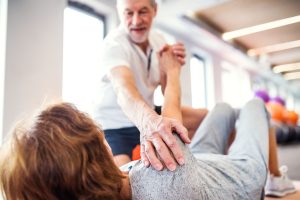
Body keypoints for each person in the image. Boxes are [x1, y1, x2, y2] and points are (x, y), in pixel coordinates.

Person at [1, 48, 269, 200]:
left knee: (221, 110)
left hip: (197, 165)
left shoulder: (113, 184)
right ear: (97, 154)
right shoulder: (164, 180)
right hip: (237, 175)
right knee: (253, 106)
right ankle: (276, 180)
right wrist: (172, 70)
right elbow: (171, 109)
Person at [92, 0, 207, 169]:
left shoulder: (159, 40)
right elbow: (124, 91)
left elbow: (167, 92)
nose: (136, 21)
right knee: (126, 186)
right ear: (120, 13)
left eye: (143, 12)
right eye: (129, 13)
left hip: (149, 112)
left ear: (155, 10)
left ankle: (204, 168)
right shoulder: (113, 45)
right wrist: (150, 122)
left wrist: (170, 68)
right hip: (115, 125)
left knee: (207, 116)